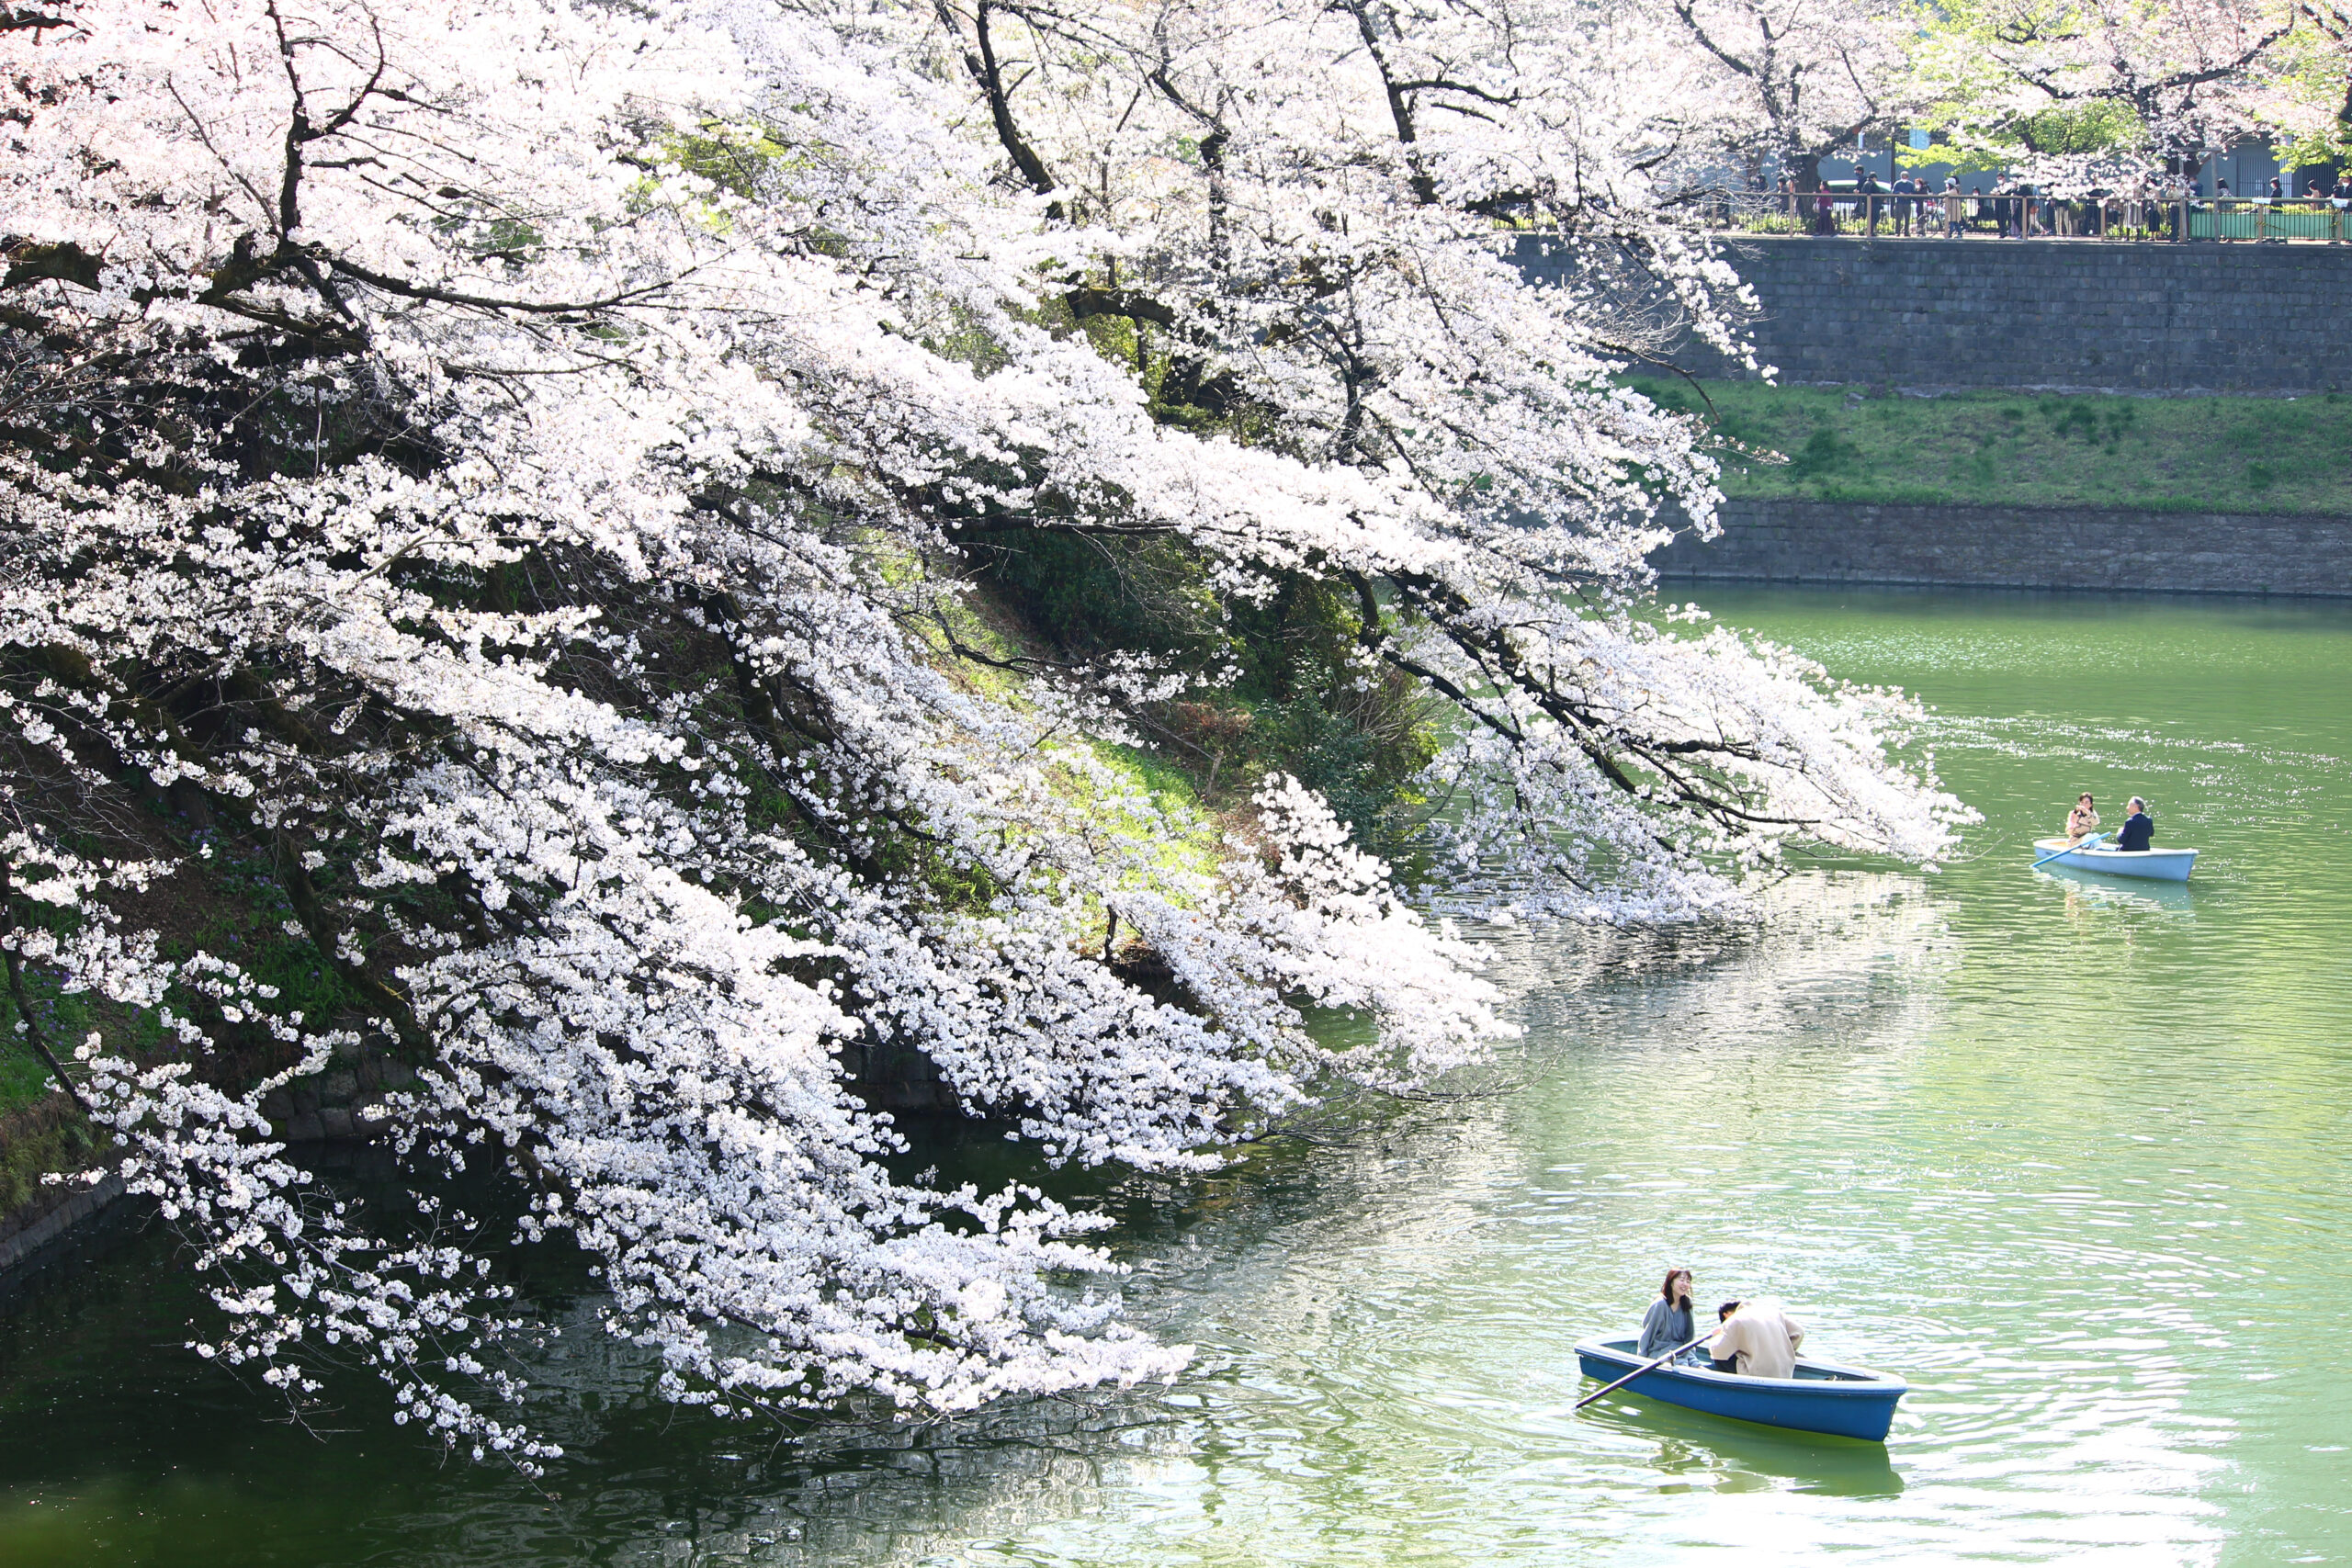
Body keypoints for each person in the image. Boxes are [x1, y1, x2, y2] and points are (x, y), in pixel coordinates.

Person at [1707, 1297, 1807, 1379]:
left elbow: (1718, 1352)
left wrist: (1717, 1336)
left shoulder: (1734, 1321)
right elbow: (1799, 1332)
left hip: (1757, 1374)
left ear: (1726, 1315)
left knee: (1719, 1358)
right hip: (1786, 1371)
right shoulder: (1772, 1311)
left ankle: (1735, 1389)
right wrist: (1787, 1349)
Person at [1638, 1269, 1698, 1358]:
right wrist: (1641, 1358)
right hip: (1660, 1353)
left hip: (1682, 1351)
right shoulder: (1660, 1304)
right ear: (1671, 1281)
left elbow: (1690, 1336)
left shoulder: (1687, 1303)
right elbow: (1648, 1334)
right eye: (1681, 1280)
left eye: (1688, 1281)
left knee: (1696, 1365)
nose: (1685, 1284)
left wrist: (1691, 1355)